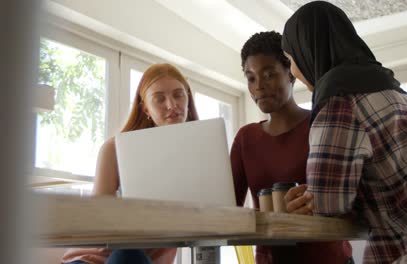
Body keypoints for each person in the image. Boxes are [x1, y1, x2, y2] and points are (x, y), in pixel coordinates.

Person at [282, 1, 407, 263]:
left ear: (306, 51)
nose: (293, 71)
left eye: (290, 60)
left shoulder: (338, 97)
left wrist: (304, 203)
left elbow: (327, 204)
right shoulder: (391, 89)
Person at [230, 31, 353, 264]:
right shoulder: (245, 139)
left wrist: (320, 203)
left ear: (291, 74)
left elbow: (352, 200)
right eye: (251, 78)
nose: (259, 86)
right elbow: (227, 211)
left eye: (269, 75)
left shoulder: (322, 125)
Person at [62, 63, 199, 264]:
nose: (172, 105)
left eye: (178, 95)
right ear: (146, 108)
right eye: (159, 99)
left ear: (188, 98)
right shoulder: (114, 148)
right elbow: (98, 219)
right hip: (92, 260)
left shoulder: (198, 156)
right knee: (128, 253)